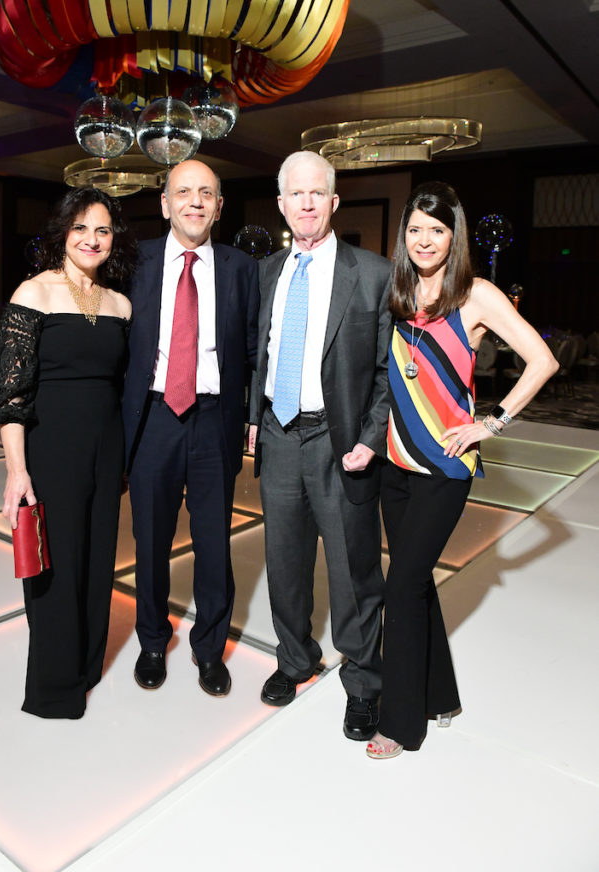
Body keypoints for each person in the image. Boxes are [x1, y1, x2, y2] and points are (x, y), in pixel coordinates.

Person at [367, 181, 558, 759]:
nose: (425, 240)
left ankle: (401, 723)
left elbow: (542, 361)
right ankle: (441, 695)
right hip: (396, 462)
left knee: (398, 588)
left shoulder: (475, 294)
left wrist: (490, 421)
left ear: (455, 237)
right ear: (405, 233)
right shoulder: (398, 289)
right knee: (416, 582)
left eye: (438, 230)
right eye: (416, 229)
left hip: (445, 467)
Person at [249, 150, 392, 741]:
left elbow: (388, 372)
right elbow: (259, 350)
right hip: (279, 434)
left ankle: (363, 683)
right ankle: (294, 659)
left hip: (341, 445)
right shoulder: (268, 271)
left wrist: (370, 438)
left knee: (353, 567)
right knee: (283, 563)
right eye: (295, 194)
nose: (306, 204)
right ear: (281, 204)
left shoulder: (374, 274)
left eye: (318, 194)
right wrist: (252, 416)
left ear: (334, 202)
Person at [0, 187, 134, 719]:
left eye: (103, 230)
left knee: (97, 561)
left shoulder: (121, 303)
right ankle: (53, 688)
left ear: (114, 239)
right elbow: (10, 393)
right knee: (54, 563)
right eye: (81, 229)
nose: (92, 240)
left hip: (106, 446)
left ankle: (88, 666)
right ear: (62, 233)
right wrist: (16, 471)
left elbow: (123, 385)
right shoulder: (35, 293)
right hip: (51, 448)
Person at [123, 159, 259, 698]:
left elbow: (253, 350)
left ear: (220, 206)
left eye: (206, 193)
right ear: (165, 203)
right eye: (184, 192)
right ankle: (153, 642)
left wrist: (252, 419)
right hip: (153, 418)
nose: (195, 202)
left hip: (213, 420)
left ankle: (210, 650)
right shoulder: (134, 262)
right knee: (149, 542)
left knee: (212, 543)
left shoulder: (240, 268)